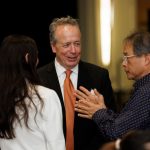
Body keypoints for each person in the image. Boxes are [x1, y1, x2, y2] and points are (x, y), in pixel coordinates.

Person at [37, 16, 116, 150]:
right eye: (66, 45)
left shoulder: (99, 76)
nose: (73, 51)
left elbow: (112, 123)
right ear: (53, 47)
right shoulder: (38, 78)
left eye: (77, 43)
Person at [75, 31, 150, 142]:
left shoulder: (146, 92)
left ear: (146, 59)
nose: (123, 63)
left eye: (127, 57)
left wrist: (97, 112)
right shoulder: (143, 88)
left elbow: (116, 132)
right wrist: (102, 109)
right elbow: (123, 123)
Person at [0, 34, 65, 150]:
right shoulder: (46, 96)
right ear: (27, 58)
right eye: (37, 55)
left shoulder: (3, 97)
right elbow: (56, 145)